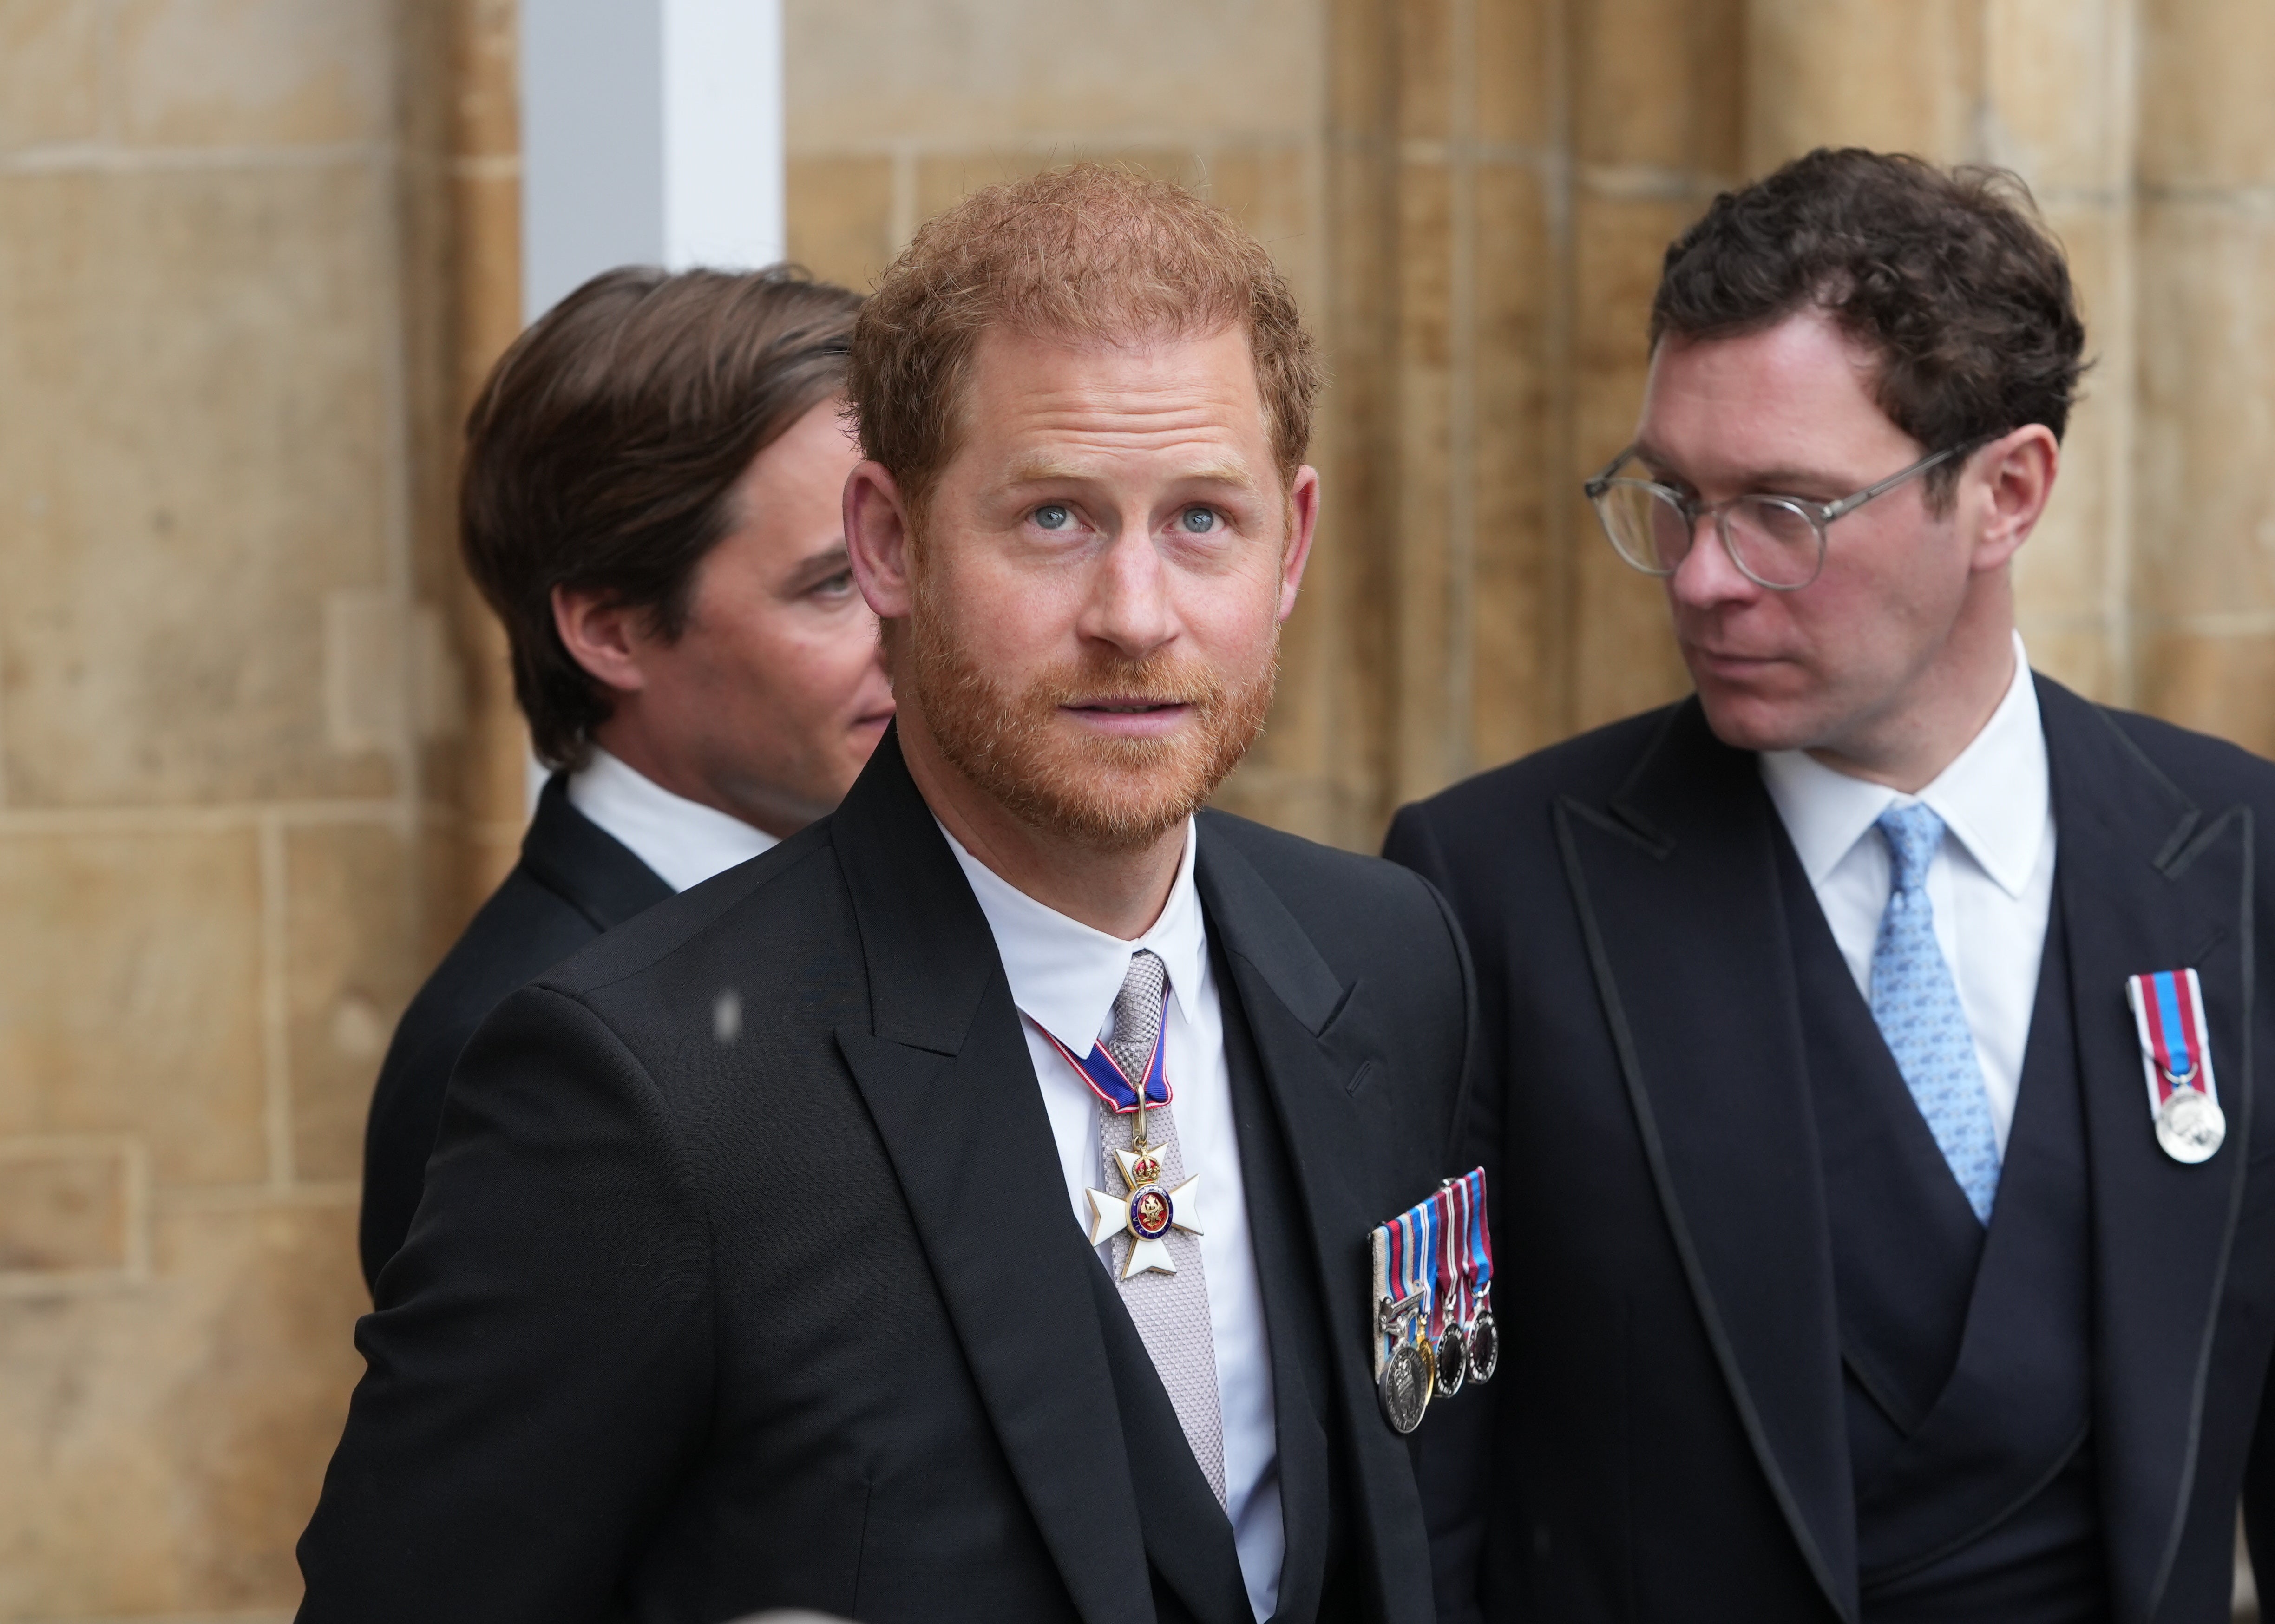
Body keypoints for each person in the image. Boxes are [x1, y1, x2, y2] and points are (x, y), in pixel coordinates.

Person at [299, 165, 1476, 1624]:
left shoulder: (1391, 954)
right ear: (888, 542)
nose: (1134, 613)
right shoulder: (638, 1089)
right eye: (1052, 519)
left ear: (1292, 542)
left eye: (1201, 520)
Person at [1389, 149, 2275, 1623]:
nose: (1701, 578)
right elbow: (1422, 1493)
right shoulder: (1483, 892)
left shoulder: (2271, 870)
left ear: (2005, 492)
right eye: (1674, 497)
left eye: (1786, 511)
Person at [355, 267, 893, 1289]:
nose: (910, 632)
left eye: (907, 557)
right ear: (610, 630)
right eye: (834, 583)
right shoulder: (519, 1061)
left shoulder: (929, 906)